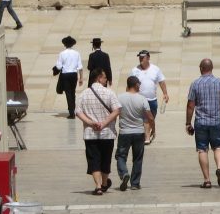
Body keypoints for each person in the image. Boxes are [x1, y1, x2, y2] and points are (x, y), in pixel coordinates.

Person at [185, 58, 220, 188]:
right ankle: (219, 167)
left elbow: (190, 105)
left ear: (201, 68)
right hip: (216, 121)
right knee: (218, 147)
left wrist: (188, 123)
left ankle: (207, 180)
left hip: (201, 122)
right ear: (212, 68)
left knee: (202, 149)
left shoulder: (195, 84)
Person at [75, 68, 121, 196]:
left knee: (94, 160)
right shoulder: (109, 93)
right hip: (107, 133)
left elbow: (78, 112)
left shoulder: (83, 94)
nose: (106, 80)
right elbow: (117, 110)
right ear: (99, 78)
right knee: (106, 159)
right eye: (105, 78)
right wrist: (104, 123)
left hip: (90, 134)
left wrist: (91, 123)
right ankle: (105, 183)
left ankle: (98, 186)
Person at [115, 76, 152, 191]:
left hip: (124, 132)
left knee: (121, 156)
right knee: (137, 158)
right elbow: (150, 117)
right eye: (139, 84)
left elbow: (114, 113)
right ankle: (135, 183)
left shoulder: (119, 98)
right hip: (138, 132)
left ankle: (124, 173)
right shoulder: (142, 99)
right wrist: (152, 129)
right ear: (136, 85)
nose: (139, 86)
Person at [130, 50, 168, 144]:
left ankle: (148, 132)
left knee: (151, 119)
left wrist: (165, 93)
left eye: (143, 58)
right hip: (140, 99)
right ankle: (146, 137)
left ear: (148, 58)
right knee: (145, 119)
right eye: (140, 58)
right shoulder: (134, 70)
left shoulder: (155, 69)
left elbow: (161, 82)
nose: (141, 59)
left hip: (152, 99)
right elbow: (130, 84)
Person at [55, 36, 83, 119]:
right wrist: (81, 78)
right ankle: (73, 110)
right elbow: (80, 67)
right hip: (74, 74)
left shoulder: (62, 53)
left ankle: (71, 112)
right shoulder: (77, 53)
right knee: (73, 92)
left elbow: (59, 67)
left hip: (65, 75)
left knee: (68, 93)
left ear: (65, 44)